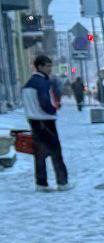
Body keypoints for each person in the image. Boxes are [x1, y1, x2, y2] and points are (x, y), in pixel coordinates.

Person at [21, 55, 69, 191]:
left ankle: (41, 184)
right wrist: (54, 109)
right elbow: (44, 102)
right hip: (46, 121)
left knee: (40, 154)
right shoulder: (43, 83)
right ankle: (62, 183)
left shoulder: (28, 83)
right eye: (48, 66)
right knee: (56, 152)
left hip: (33, 121)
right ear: (40, 66)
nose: (50, 69)